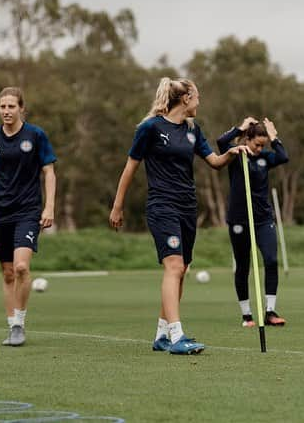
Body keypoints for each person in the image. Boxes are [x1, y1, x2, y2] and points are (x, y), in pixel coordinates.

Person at [109, 77, 251, 355]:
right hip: (162, 206)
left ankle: (162, 335)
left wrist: (233, 152)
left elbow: (214, 162)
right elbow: (130, 167)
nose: (199, 102)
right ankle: (177, 335)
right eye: (197, 97)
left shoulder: (193, 130)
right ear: (185, 98)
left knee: (182, 270)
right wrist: (118, 205)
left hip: (188, 207)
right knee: (173, 267)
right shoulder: (150, 128)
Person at [0, 87, 57, 347]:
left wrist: (50, 206)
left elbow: (49, 172)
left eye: (11, 106)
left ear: (22, 108)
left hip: (28, 210)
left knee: (21, 267)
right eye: (3, 107)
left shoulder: (36, 135)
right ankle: (12, 326)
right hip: (1, 212)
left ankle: (20, 323)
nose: (7, 111)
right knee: (8, 273)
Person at [217, 117, 289, 328]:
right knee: (243, 265)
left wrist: (273, 137)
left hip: (263, 219)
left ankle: (270, 311)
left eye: (262, 145)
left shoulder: (265, 158)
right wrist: (239, 127)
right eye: (256, 144)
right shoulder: (237, 155)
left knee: (271, 260)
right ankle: (247, 315)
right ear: (247, 139)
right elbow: (221, 142)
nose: (259, 148)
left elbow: (283, 157)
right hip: (239, 219)